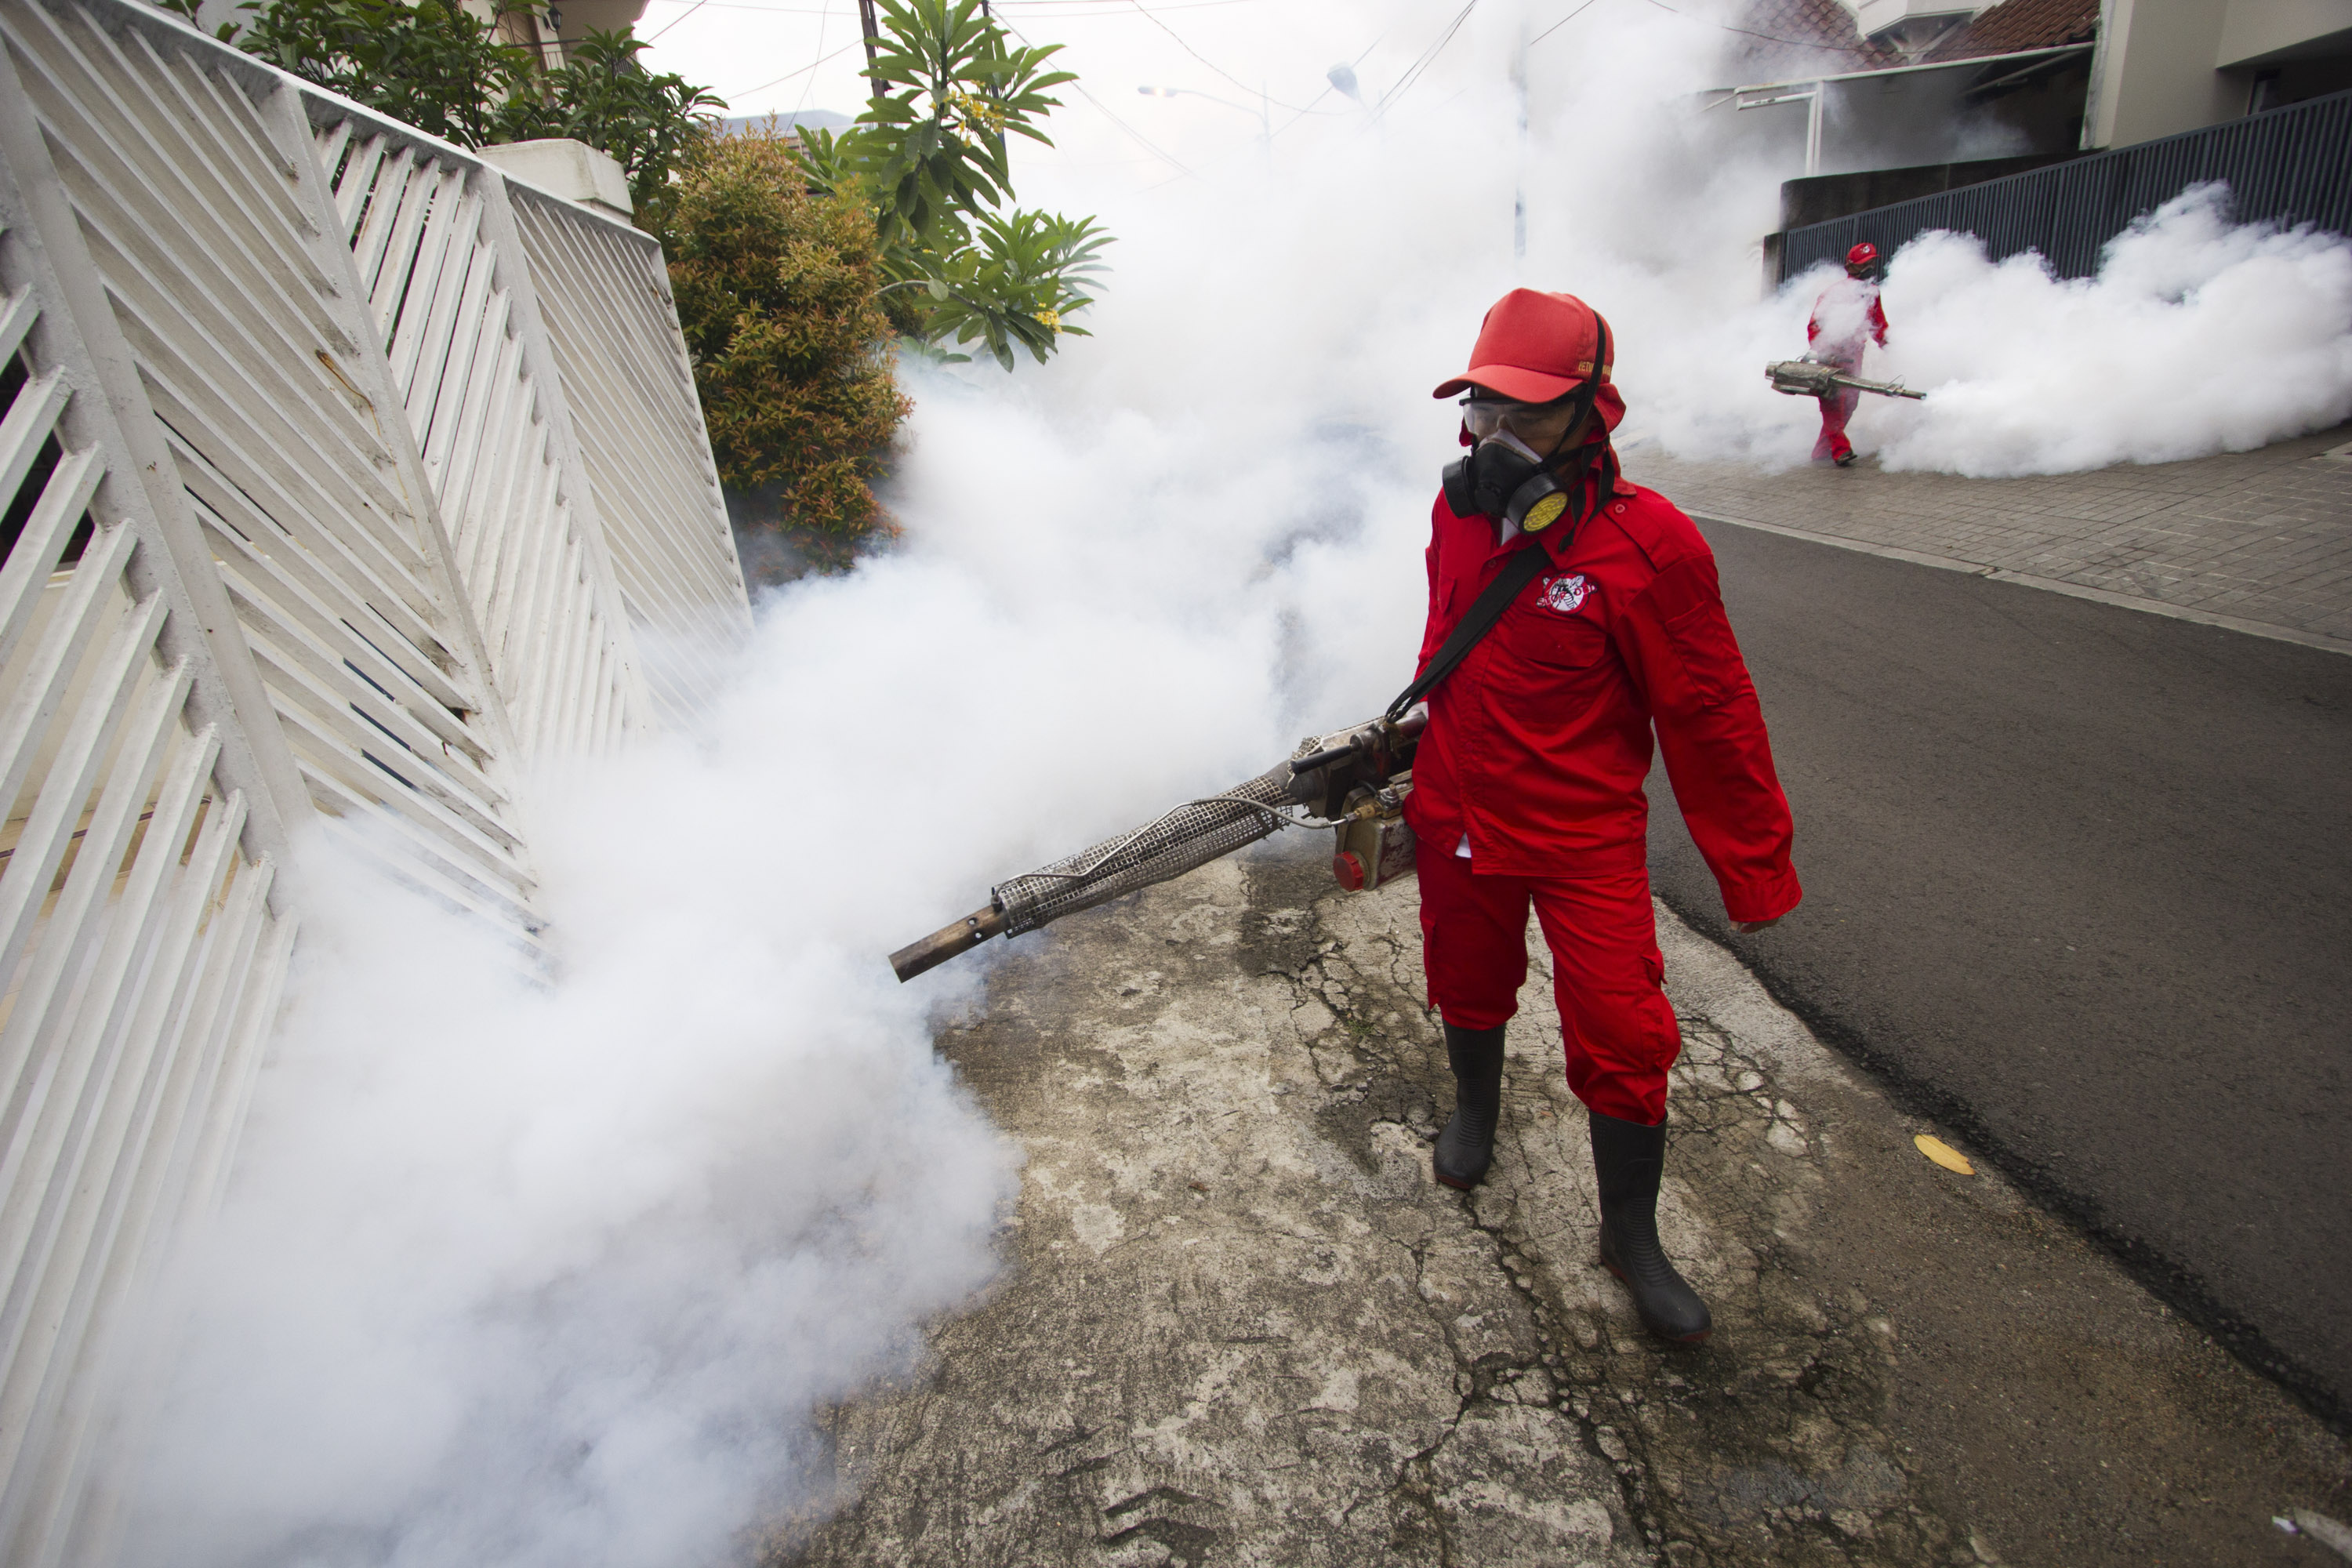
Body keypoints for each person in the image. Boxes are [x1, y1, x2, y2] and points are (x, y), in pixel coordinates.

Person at [1406, 288, 1802, 1345]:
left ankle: (1631, 1236)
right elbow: (1446, 644)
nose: (1498, 436)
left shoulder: (1653, 547)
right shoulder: (1454, 512)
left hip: (1584, 837)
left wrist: (1753, 870)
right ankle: (1477, 1112)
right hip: (1458, 809)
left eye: (1529, 414)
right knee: (1466, 975)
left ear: (1596, 410)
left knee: (1627, 1032)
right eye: (1485, 407)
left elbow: (1713, 718)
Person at [1806, 241, 1889, 466]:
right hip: (1832, 356)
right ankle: (1840, 449)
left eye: (1872, 263)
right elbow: (1814, 326)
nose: (1870, 268)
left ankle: (1822, 451)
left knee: (1850, 404)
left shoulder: (1872, 292)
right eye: (1865, 264)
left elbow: (1878, 323)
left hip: (1855, 355)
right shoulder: (1833, 293)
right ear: (1851, 267)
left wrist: (1889, 346)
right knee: (1833, 403)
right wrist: (1825, 351)